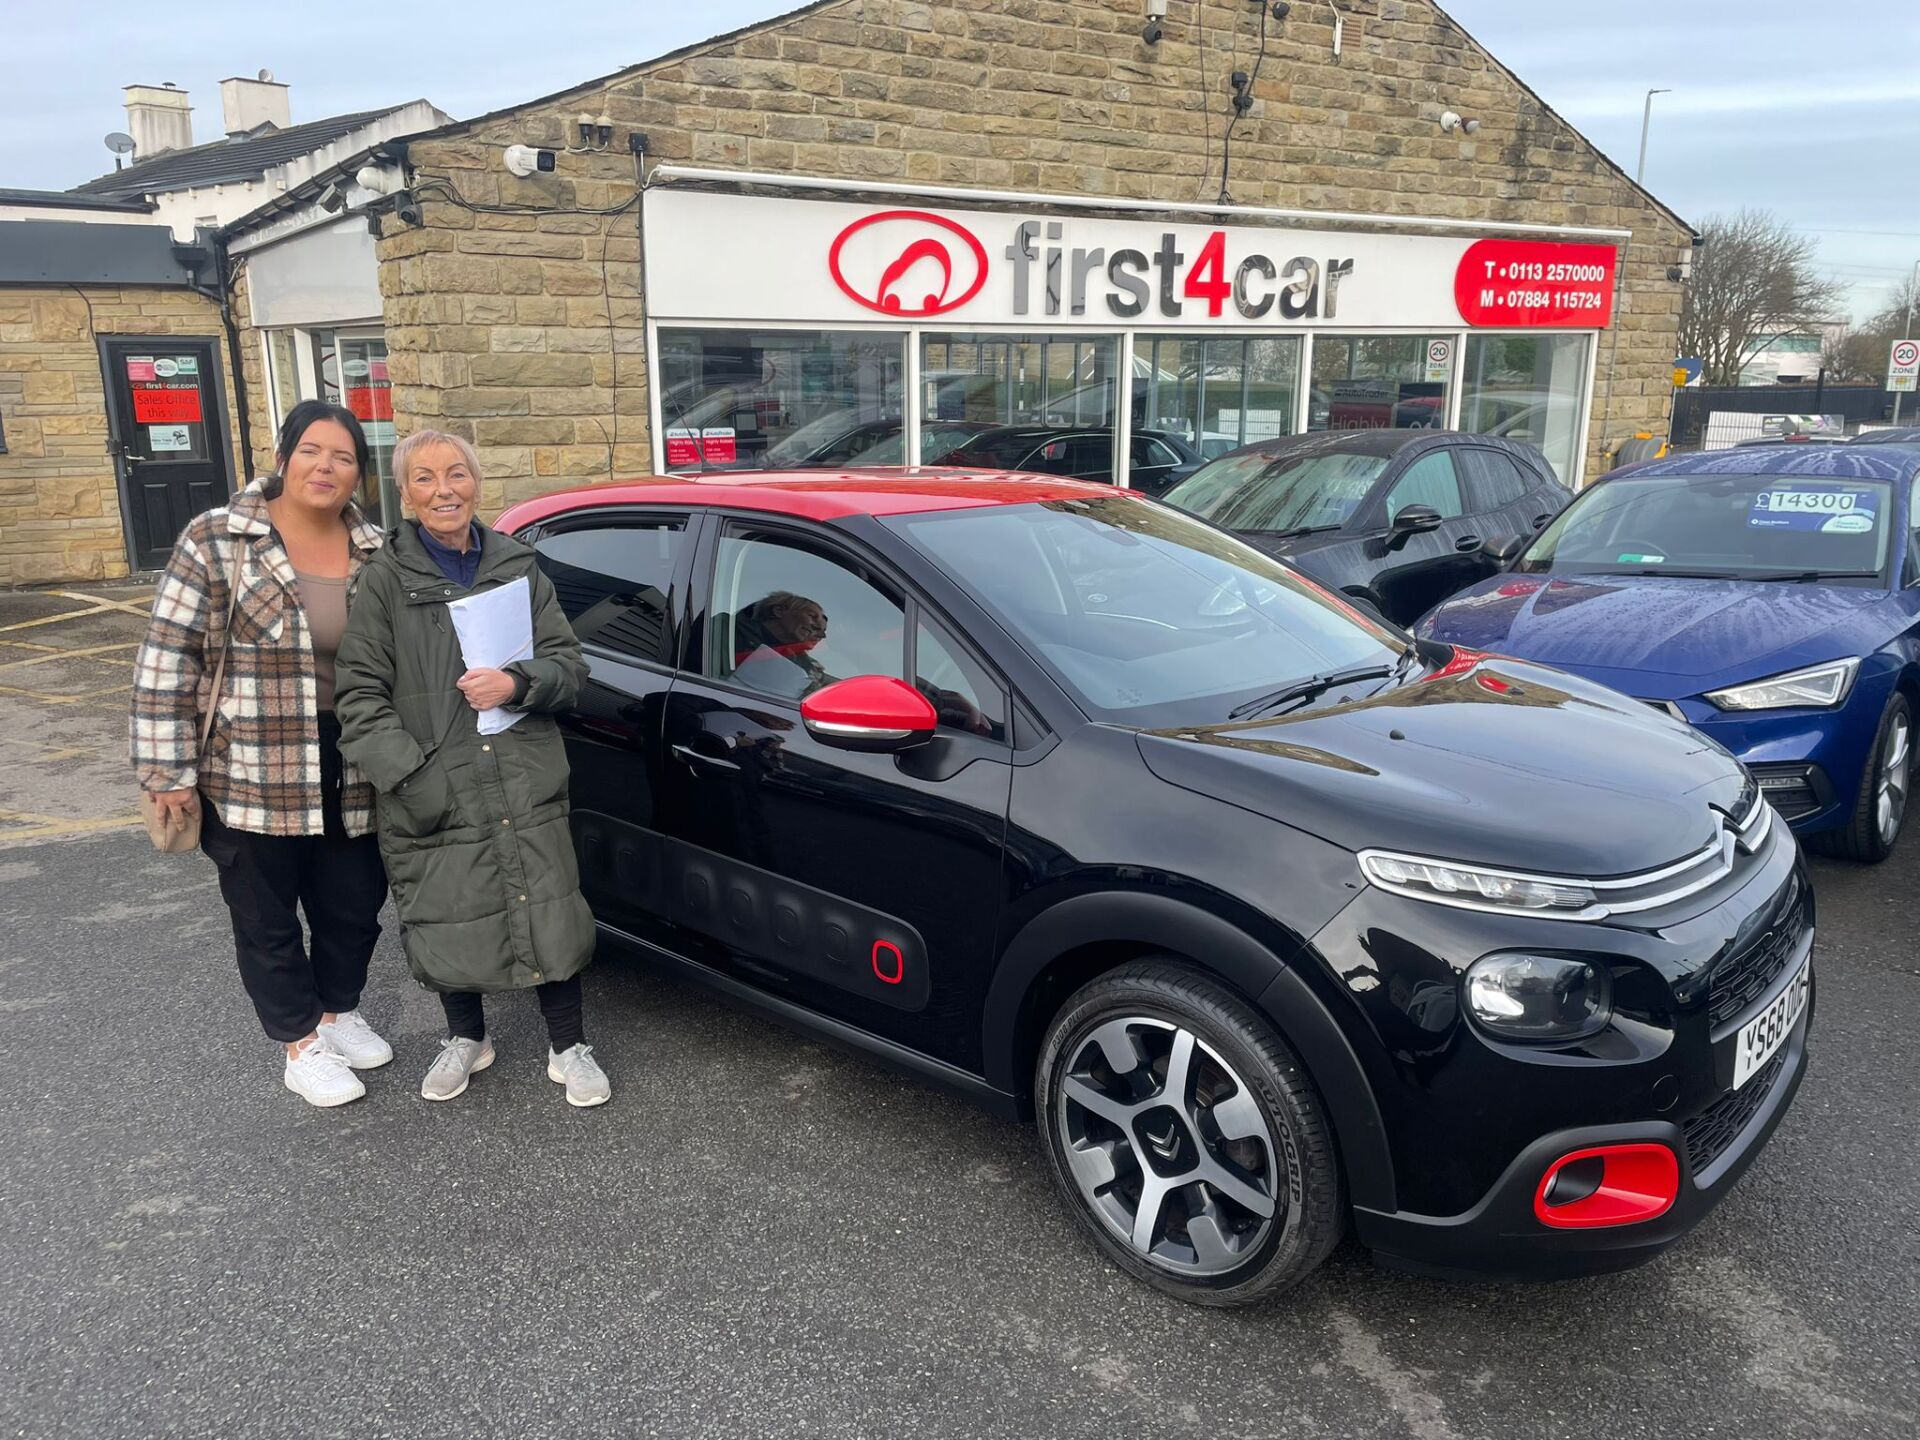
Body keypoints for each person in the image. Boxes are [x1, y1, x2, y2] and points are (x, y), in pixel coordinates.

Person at [131, 401, 393, 1107]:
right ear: (284, 458)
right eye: (312, 450)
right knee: (266, 913)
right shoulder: (219, 538)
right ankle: (300, 1043)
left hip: (354, 760)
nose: (326, 467)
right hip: (250, 763)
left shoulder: (376, 548)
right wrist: (167, 772)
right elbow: (169, 659)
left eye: (343, 457)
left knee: (354, 906)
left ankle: (337, 1012)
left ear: (358, 475)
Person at [334, 430, 606, 1107]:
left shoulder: (518, 566)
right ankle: (466, 1038)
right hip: (435, 776)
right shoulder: (384, 581)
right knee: (448, 908)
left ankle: (568, 1047)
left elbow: (571, 669)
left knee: (547, 907)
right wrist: (411, 774)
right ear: (405, 493)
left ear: (477, 482)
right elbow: (358, 697)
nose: (444, 490)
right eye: (424, 478)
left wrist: (517, 684)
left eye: (456, 474)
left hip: (521, 771)